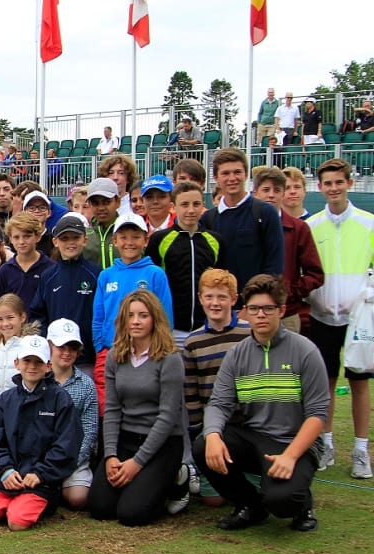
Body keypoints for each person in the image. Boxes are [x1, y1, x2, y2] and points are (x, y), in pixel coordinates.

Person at [194, 274, 329, 532]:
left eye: (268, 308)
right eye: (254, 309)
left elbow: (318, 414)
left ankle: (303, 505)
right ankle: (250, 506)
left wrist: (290, 456)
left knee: (282, 502)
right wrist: (212, 435)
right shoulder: (237, 354)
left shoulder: (305, 351)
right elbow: (219, 403)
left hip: (294, 443)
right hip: (255, 438)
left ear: (281, 310)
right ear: (245, 311)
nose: (261, 315)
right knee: (203, 446)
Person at [88, 291, 185, 526]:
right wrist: (111, 455)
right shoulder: (115, 356)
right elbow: (112, 409)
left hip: (162, 443)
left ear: (155, 319)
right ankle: (141, 484)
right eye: (130, 315)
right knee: (100, 507)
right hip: (126, 439)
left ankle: (176, 481)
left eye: (143, 315)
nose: (136, 321)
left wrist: (137, 463)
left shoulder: (170, 358)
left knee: (131, 514)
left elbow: (168, 416)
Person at [306, 158, 374, 479]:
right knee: (327, 384)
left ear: (349, 183)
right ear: (320, 188)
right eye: (328, 184)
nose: (333, 188)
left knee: (359, 383)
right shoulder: (312, 226)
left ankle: (361, 450)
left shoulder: (368, 223)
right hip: (321, 316)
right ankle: (327, 444)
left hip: (358, 319)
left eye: (338, 182)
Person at [0, 335, 82, 530]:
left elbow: (66, 445)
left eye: (38, 362)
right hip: (8, 476)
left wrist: (40, 474)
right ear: (17, 363)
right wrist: (5, 470)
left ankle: (39, 502)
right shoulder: (5, 400)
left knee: (17, 523)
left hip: (41, 480)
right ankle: (14, 501)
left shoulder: (61, 400)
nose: (32, 367)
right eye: (27, 361)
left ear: (48, 366)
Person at [181, 268, 251, 507]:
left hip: (247, 424)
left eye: (222, 297)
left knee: (259, 492)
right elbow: (191, 391)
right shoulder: (193, 342)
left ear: (234, 299)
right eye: (209, 297)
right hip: (212, 427)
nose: (215, 303)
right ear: (200, 298)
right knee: (213, 500)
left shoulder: (248, 334)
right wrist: (197, 428)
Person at [92, 213, 174, 415]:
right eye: (124, 237)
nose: (129, 242)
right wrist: (100, 347)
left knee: (141, 405)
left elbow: (165, 317)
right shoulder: (106, 275)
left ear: (146, 240)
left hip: (146, 353)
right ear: (115, 241)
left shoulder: (155, 274)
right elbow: (98, 316)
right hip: (111, 351)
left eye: (136, 237)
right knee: (109, 407)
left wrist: (158, 348)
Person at [147, 181, 226, 344]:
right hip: (171, 328)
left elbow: (223, 282)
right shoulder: (160, 239)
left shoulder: (215, 240)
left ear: (203, 206)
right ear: (173, 207)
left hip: (207, 326)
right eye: (184, 204)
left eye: (196, 204)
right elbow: (152, 283)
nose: (191, 210)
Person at [200, 148, 284, 297]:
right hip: (220, 305)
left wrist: (257, 301)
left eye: (237, 172)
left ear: (246, 174)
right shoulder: (208, 219)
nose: (232, 178)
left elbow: (274, 265)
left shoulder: (266, 213)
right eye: (225, 173)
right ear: (216, 178)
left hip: (255, 305)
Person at [250, 167, 324, 334]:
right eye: (266, 190)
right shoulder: (245, 226)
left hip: (286, 314)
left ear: (283, 194)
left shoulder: (298, 228)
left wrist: (289, 292)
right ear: (255, 193)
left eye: (277, 190)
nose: (271, 195)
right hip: (249, 313)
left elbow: (316, 274)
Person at [29, 213, 101, 376]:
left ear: (85, 240)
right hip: (56, 359)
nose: (70, 243)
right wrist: (49, 345)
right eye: (65, 238)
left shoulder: (96, 274)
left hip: (87, 358)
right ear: (55, 242)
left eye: (75, 238)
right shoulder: (48, 276)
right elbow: (38, 314)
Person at [47, 320, 99, 510]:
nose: (67, 353)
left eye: (73, 348)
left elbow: (90, 430)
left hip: (73, 457)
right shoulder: (38, 380)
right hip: (41, 457)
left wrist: (71, 462)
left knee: (78, 498)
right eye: (61, 347)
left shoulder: (87, 385)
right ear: (49, 346)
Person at [0, 294, 40, 399]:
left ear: (22, 317)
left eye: (10, 318)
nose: (5, 324)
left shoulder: (31, 346)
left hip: (20, 406)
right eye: (0, 319)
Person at [0, 213, 53, 304]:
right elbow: (1, 304)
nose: (21, 242)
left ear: (38, 237)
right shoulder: (4, 270)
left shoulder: (50, 268)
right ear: (10, 239)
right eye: (16, 237)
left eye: (27, 236)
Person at [83, 178, 121, 270]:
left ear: (118, 202)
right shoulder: (84, 234)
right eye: (95, 203)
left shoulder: (129, 231)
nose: (101, 208)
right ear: (89, 204)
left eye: (106, 202)